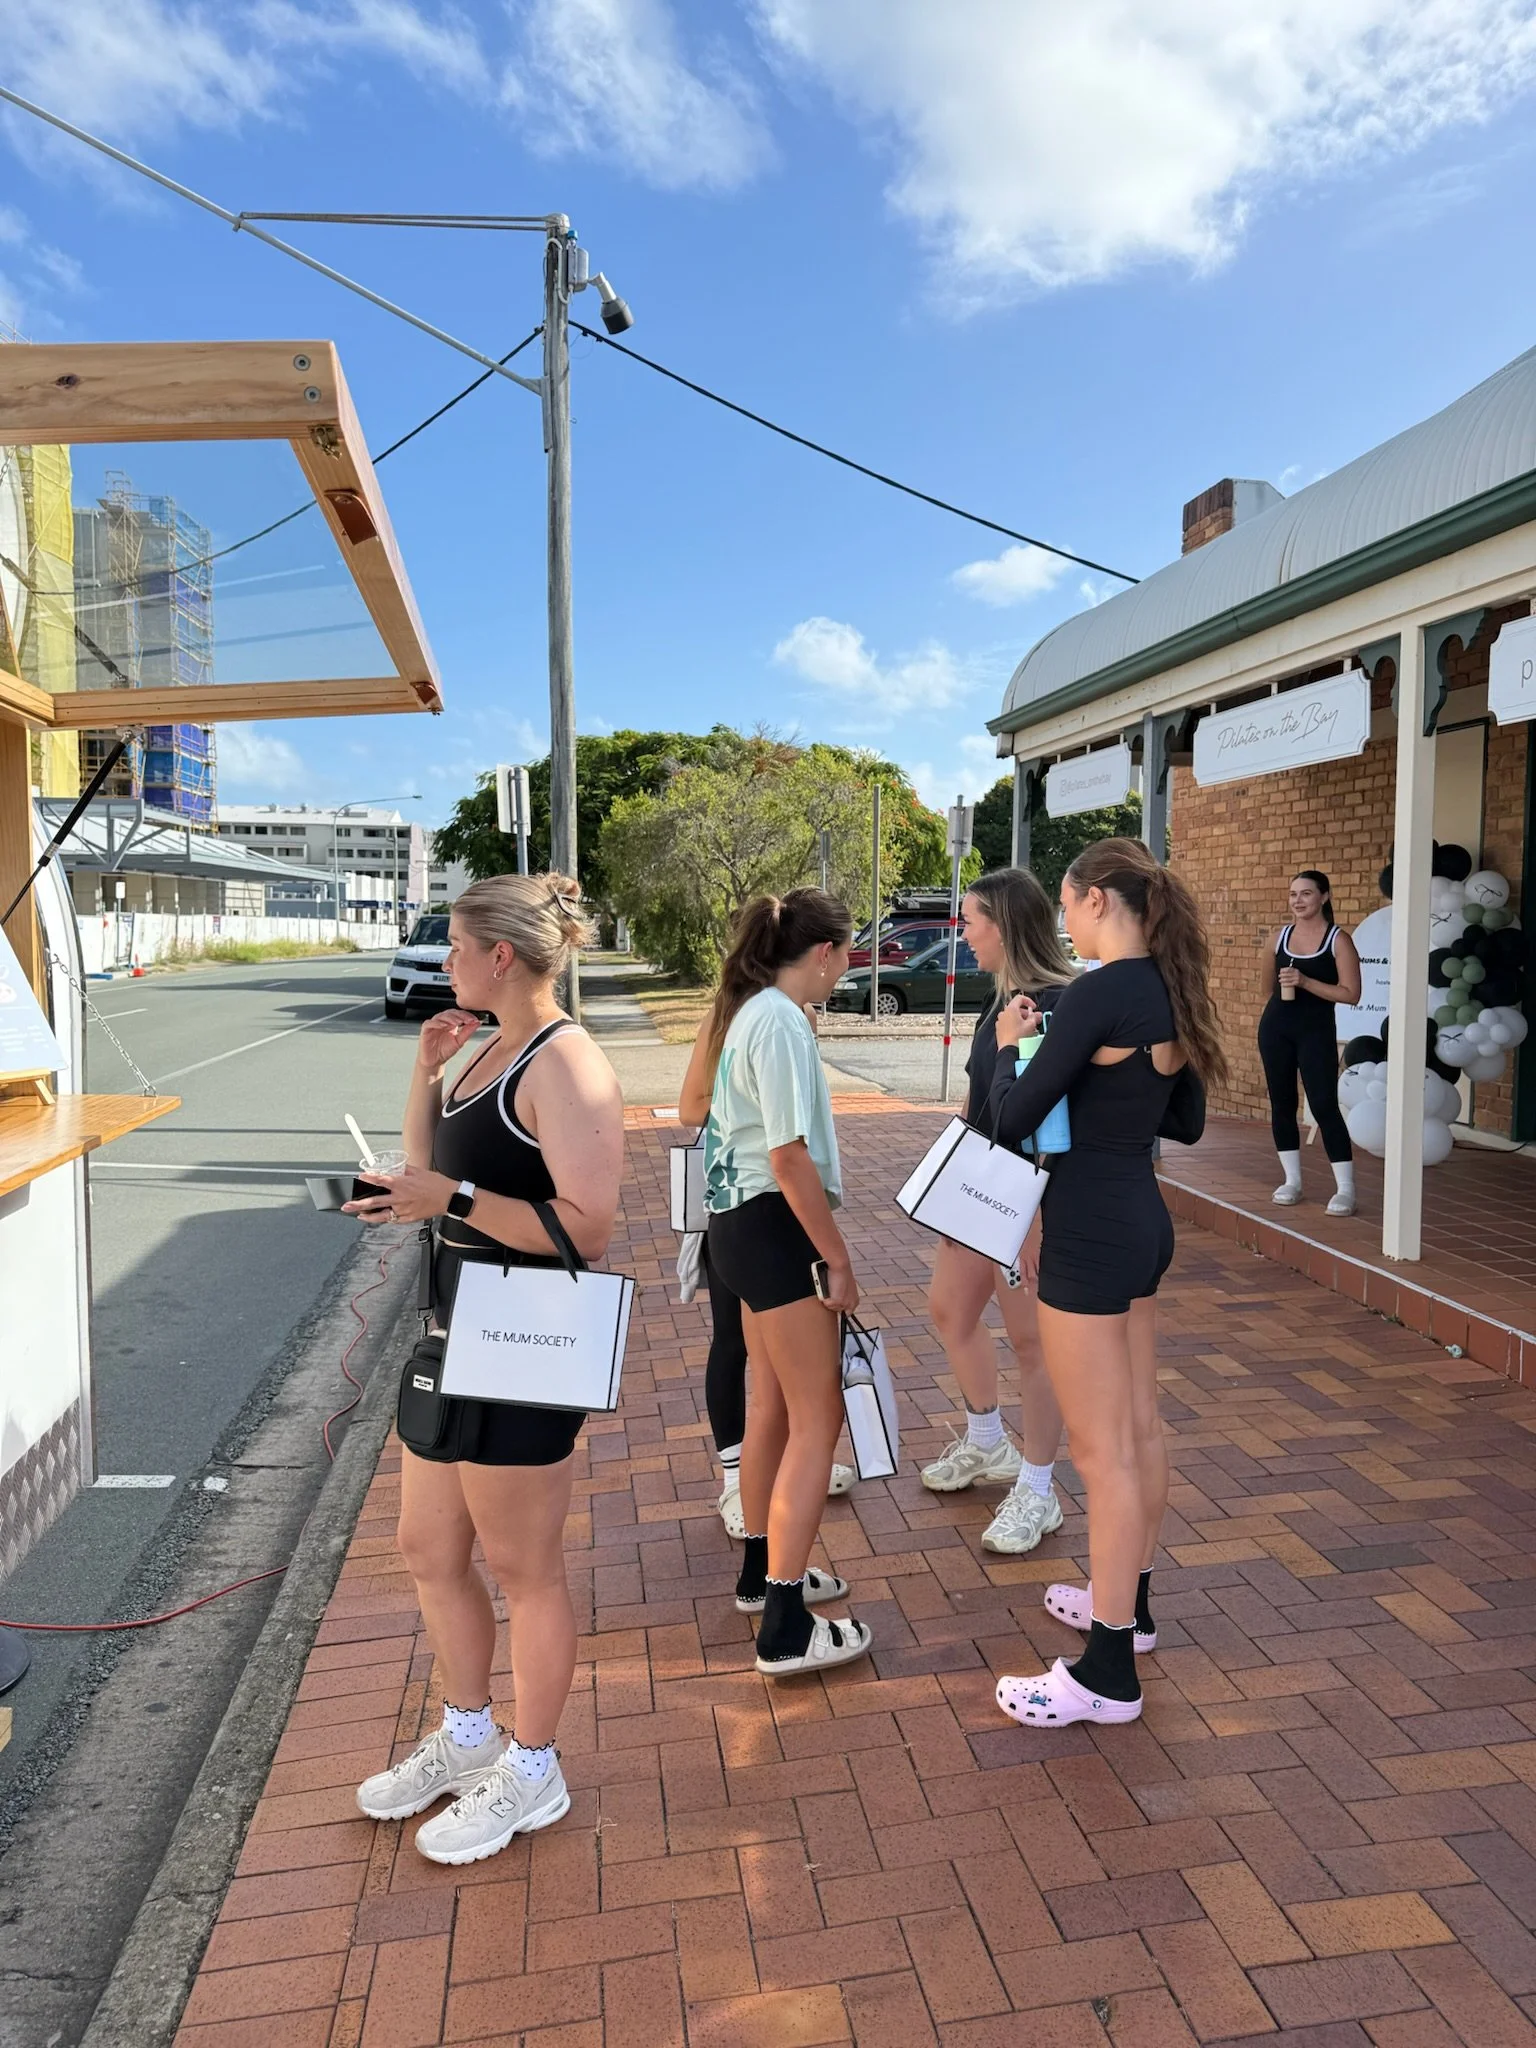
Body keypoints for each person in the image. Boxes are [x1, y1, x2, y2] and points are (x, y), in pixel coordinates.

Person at [346, 873, 623, 1862]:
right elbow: (430, 1179)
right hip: (452, 1325)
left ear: (502, 955)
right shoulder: (480, 1049)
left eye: (456, 947)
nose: (444, 962)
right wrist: (423, 1080)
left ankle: (535, 1763)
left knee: (524, 1565)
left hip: (529, 1336)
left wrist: (452, 1194)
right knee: (427, 1545)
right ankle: (469, 1734)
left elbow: (589, 1226)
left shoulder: (567, 1061)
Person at [985, 839, 1222, 1728]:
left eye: (1069, 905)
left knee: (1104, 1455)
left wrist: (1015, 1046)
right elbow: (1189, 1122)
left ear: (1092, 901)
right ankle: (1132, 1607)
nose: (1067, 922)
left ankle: (1108, 1672)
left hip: (1088, 1236)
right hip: (1141, 1220)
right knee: (1139, 1431)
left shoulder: (1097, 992)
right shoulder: (1169, 987)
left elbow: (1010, 1118)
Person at [703, 888, 872, 1675]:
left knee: (772, 1409)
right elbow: (787, 1155)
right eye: (846, 953)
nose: (847, 969)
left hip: (741, 1230)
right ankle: (785, 1622)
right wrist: (835, 1255)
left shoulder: (754, 1012)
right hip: (773, 1229)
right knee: (818, 1418)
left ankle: (761, 1573)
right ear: (824, 953)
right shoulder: (780, 1021)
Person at [920, 869, 1072, 1558]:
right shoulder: (1001, 1002)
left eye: (971, 920)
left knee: (1033, 1344)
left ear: (1005, 926)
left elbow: (1046, 1123)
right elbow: (980, 1102)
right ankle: (989, 1444)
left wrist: (1031, 1224)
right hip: (982, 1193)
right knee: (950, 1310)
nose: (963, 933)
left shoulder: (1051, 1004)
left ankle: (1039, 1489)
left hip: (1025, 1205)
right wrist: (948, 1191)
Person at [678, 1006, 853, 1540]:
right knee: (733, 1341)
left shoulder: (790, 1017)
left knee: (783, 1390)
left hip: (776, 1208)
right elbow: (691, 1107)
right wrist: (748, 1102)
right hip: (744, 1201)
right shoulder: (740, 1013)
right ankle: (735, 1478)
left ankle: (782, 1481)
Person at [1258, 870, 1362, 1216]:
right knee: (1282, 1104)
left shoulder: (1338, 939)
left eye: (1306, 893)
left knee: (1323, 1104)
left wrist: (1305, 981)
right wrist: (1291, 985)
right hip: (1276, 1029)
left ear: (1324, 897)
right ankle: (1292, 1181)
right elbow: (1267, 989)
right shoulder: (1278, 938)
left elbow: (1351, 993)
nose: (1298, 901)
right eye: (1293, 894)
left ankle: (1345, 1189)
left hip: (1315, 1031)